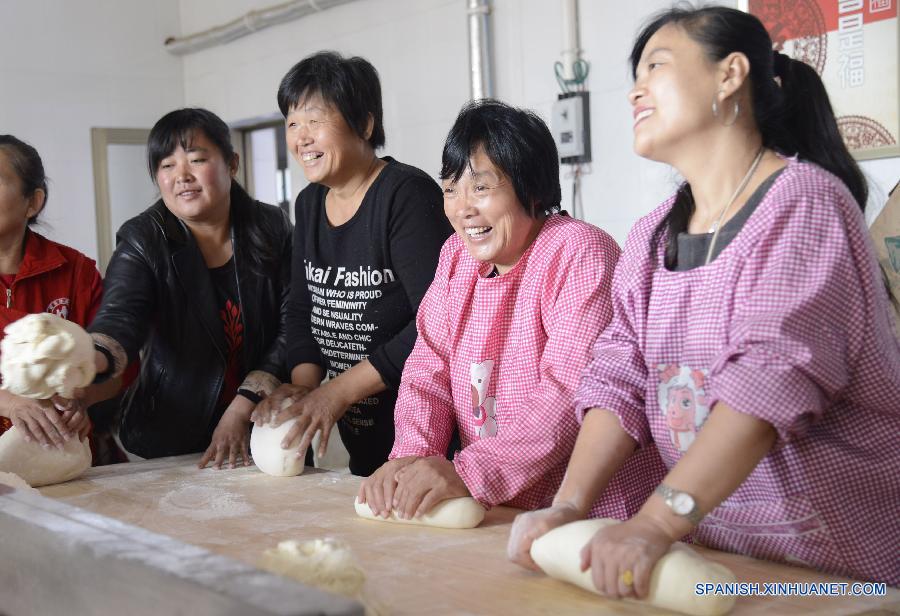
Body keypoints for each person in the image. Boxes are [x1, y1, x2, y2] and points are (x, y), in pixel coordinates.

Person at [507, 6, 900, 594]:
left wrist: (653, 522)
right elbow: (619, 377)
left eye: (655, 66)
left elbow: (766, 381)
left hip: (845, 564)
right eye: (634, 75)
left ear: (730, 75)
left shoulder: (803, 205)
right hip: (726, 555)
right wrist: (568, 507)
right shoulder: (649, 238)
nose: (635, 90)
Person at [358, 100, 667, 519]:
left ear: (531, 188)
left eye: (481, 188)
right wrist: (410, 460)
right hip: (500, 507)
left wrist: (470, 473)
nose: (463, 208)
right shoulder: (455, 258)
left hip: (596, 512)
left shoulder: (578, 252)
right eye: (451, 189)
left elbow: (567, 392)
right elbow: (428, 370)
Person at [250, 52, 452, 476]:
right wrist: (302, 392)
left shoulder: (405, 196)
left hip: (425, 433)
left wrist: (338, 391)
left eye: (315, 121)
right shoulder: (308, 205)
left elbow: (437, 322)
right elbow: (303, 310)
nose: (301, 137)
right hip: (364, 437)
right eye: (292, 123)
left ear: (364, 124)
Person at [87, 109, 292, 468]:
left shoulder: (270, 226)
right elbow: (120, 317)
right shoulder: (143, 238)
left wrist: (244, 404)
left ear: (232, 163)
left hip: (260, 424)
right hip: (168, 435)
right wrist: (92, 357)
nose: (182, 176)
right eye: (166, 166)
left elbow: (293, 324)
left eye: (197, 160)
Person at [0, 135, 123, 461]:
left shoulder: (76, 272)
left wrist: (83, 400)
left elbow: (119, 367)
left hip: (64, 455)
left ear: (33, 202)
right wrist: (11, 403)